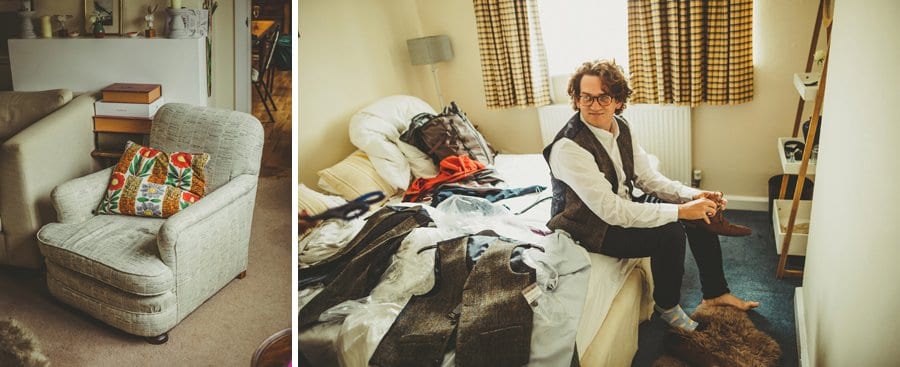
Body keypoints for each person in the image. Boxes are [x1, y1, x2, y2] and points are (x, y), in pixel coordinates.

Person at [543, 59, 758, 332]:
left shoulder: (621, 127)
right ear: (576, 99)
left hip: (623, 203)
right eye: (586, 97)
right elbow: (611, 211)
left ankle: (715, 292)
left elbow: (647, 178)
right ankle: (667, 307)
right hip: (589, 227)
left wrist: (692, 196)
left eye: (603, 97)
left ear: (618, 100)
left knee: (698, 209)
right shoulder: (569, 148)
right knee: (671, 232)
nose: (594, 106)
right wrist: (680, 212)